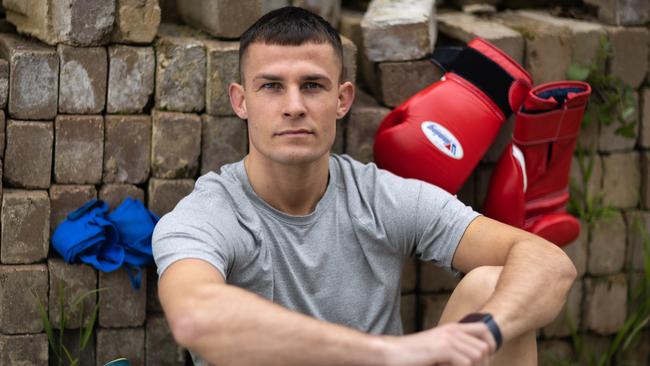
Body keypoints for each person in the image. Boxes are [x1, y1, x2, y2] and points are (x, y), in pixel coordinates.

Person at [152, 6, 576, 366]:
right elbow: (194, 317)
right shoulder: (208, 214)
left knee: (490, 287)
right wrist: (386, 352)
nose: (294, 106)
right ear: (241, 101)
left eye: (313, 86)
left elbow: (548, 263)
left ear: (343, 99)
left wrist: (490, 328)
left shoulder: (378, 196)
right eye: (272, 86)